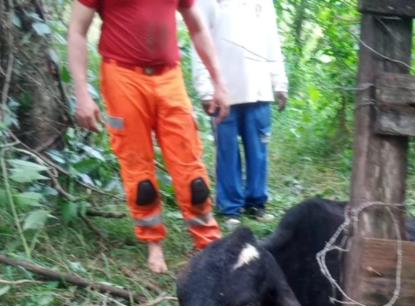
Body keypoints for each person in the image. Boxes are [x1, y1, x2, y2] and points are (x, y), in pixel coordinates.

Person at [67, 0, 230, 274]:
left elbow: (198, 28)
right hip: (122, 77)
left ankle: (208, 241)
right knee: (137, 169)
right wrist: (82, 94)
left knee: (191, 168)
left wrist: (219, 82)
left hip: (170, 78)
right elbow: (77, 31)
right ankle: (153, 242)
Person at [192, 0, 288, 226]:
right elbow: (199, 40)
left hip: (258, 89)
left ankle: (256, 203)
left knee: (258, 151)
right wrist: (205, 90)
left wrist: (280, 83)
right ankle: (230, 208)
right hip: (223, 90)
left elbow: (271, 42)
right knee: (227, 150)